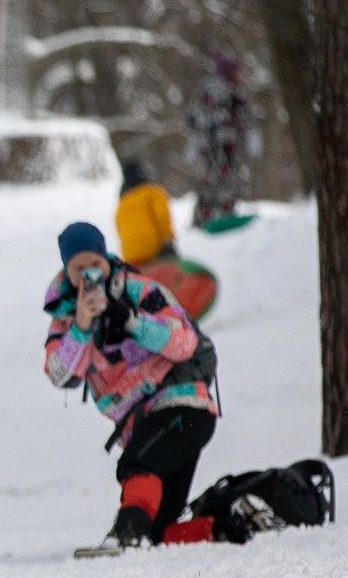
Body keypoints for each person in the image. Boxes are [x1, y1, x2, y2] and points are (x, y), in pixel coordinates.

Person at [43, 221, 220, 553]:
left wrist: (131, 321)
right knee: (160, 532)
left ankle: (127, 536)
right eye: (78, 268)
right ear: (66, 271)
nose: (88, 275)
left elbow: (185, 344)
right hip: (140, 422)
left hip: (184, 406)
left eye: (95, 265)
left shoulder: (140, 291)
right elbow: (60, 375)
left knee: (137, 465)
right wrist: (81, 328)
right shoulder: (66, 316)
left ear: (106, 258)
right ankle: (229, 527)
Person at [116, 157, 218, 321]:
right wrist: (168, 240)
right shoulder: (153, 192)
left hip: (132, 257)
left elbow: (121, 230)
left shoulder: (122, 204)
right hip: (153, 249)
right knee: (169, 283)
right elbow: (162, 217)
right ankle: (178, 312)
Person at [184, 51, 255, 230]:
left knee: (214, 186)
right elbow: (242, 119)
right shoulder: (226, 92)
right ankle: (218, 220)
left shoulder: (213, 91)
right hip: (221, 150)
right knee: (221, 185)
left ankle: (209, 220)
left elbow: (192, 118)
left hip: (217, 150)